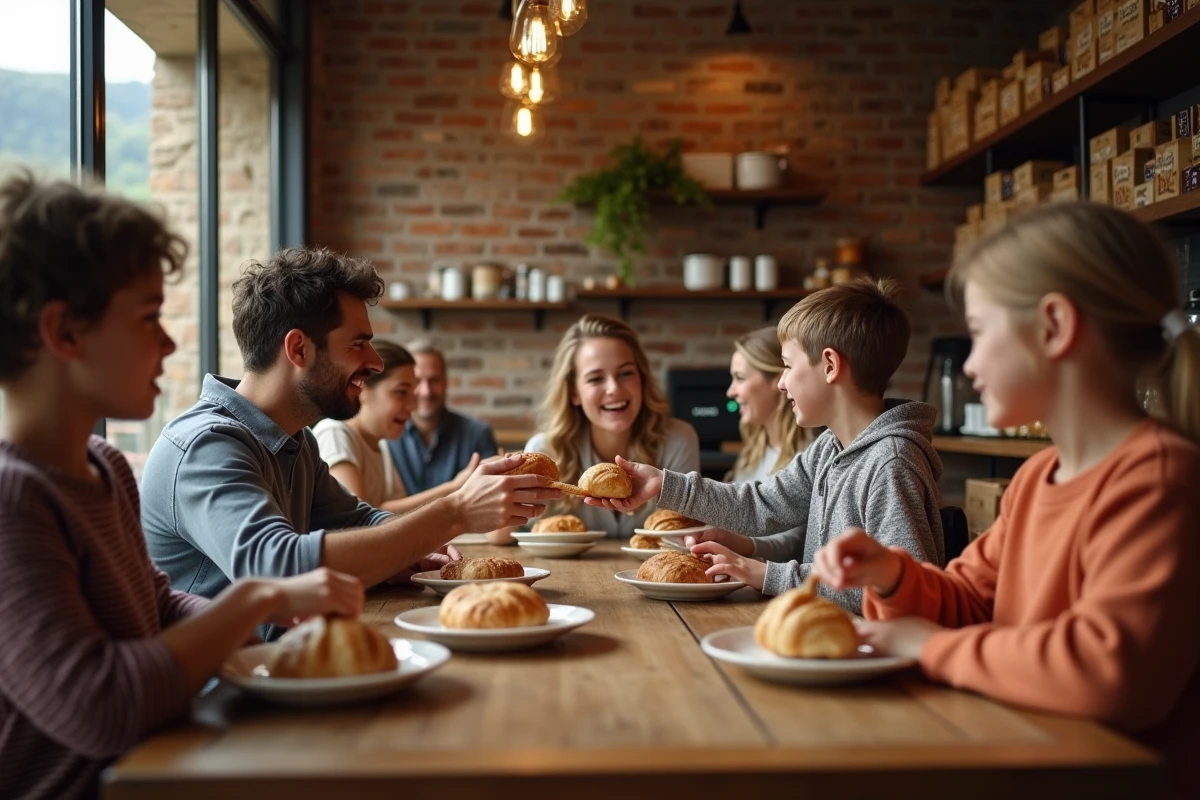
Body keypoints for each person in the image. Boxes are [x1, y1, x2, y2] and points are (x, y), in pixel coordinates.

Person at [812, 204, 1200, 798]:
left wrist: (932, 646)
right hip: (1021, 757)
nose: (968, 364)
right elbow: (967, 598)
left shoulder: (1159, 478)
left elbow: (1107, 670)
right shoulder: (1038, 475)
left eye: (979, 333)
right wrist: (893, 577)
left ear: (1054, 327)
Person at [0, 174, 364, 800]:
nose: (169, 342)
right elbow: (101, 706)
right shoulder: (13, 500)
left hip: (172, 763)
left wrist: (274, 618)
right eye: (149, 319)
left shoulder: (104, 466)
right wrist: (256, 600)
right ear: (64, 334)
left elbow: (157, 608)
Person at [141, 247, 558, 619]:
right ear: (299, 349)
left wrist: (410, 553)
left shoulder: (295, 440)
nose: (375, 362)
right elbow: (277, 566)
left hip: (281, 668)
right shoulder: (206, 445)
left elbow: (359, 519)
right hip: (219, 694)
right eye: (358, 344)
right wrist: (456, 511)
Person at [588, 279, 944, 612]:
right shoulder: (829, 449)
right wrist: (665, 484)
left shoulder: (891, 464)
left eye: (788, 367)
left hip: (874, 656)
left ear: (831, 365)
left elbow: (907, 593)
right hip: (819, 625)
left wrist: (764, 574)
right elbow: (761, 504)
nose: (781, 383)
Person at [496, 314, 699, 541]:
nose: (613, 388)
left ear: (641, 379)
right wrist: (501, 488)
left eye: (626, 373)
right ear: (574, 392)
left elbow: (685, 533)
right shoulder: (546, 449)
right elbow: (503, 536)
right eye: (595, 378)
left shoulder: (678, 440)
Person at [314, 340, 478, 513]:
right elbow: (358, 521)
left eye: (412, 394)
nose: (413, 405)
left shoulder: (381, 447)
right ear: (363, 389)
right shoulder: (335, 434)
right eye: (401, 392)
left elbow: (393, 513)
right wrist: (454, 487)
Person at [385, 339, 497, 496]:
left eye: (434, 380)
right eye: (417, 381)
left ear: (446, 382)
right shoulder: (387, 436)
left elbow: (492, 495)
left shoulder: (477, 433)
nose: (426, 392)